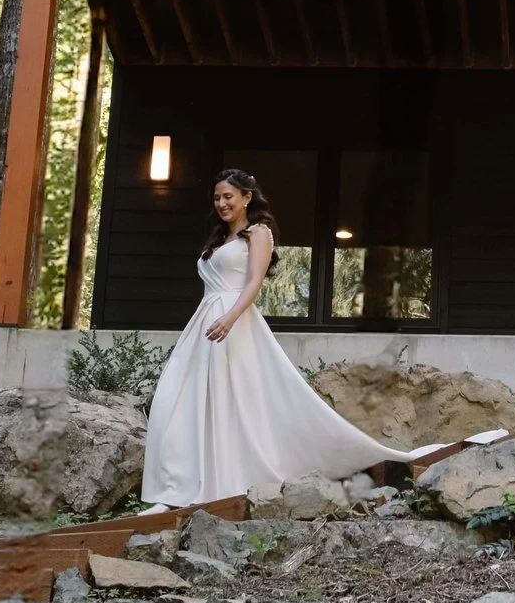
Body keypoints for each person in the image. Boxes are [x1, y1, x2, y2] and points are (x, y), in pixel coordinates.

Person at [141, 167, 411, 506]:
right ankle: (176, 487)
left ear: (246, 198)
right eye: (217, 198)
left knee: (230, 406)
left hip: (233, 325)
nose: (222, 203)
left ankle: (222, 487)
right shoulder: (219, 239)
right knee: (178, 403)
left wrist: (230, 317)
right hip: (203, 328)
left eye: (228, 197)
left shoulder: (259, 233)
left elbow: (253, 282)